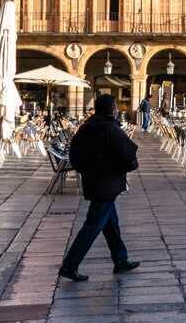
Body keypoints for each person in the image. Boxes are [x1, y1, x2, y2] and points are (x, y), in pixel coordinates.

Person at [60, 94, 141, 282]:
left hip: (93, 181)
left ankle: (120, 260)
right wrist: (125, 166)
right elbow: (128, 154)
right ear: (111, 109)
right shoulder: (111, 129)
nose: (117, 110)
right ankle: (69, 265)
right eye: (115, 107)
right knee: (92, 226)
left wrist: (86, 169)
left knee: (111, 224)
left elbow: (74, 154)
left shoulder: (86, 127)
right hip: (107, 184)